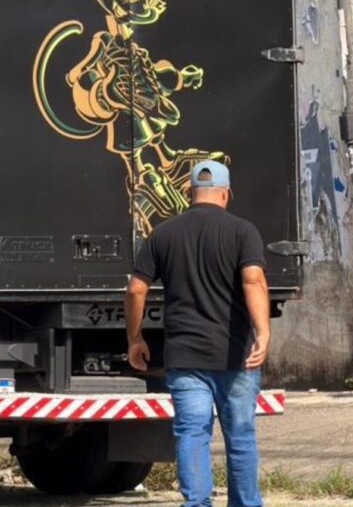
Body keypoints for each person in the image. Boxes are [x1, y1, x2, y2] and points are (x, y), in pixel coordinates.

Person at [125, 160, 270, 507]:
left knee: (192, 433)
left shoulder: (163, 233)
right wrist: (263, 332)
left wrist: (135, 338)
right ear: (226, 193)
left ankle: (197, 504)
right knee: (240, 437)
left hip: (185, 357)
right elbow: (253, 280)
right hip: (236, 356)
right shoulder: (243, 231)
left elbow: (135, 289)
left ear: (190, 193)